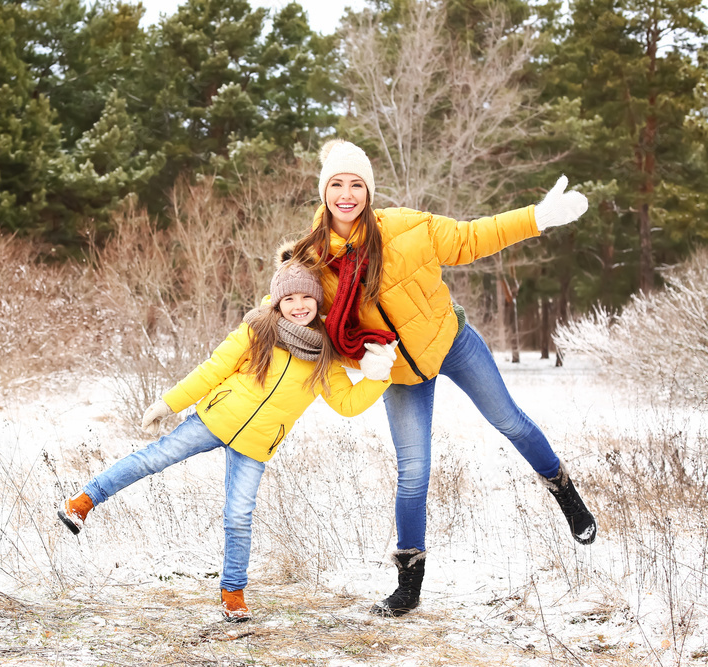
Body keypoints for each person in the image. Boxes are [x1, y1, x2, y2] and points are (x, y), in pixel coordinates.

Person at [289, 138, 597, 618]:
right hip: (396, 370)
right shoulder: (314, 263)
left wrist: (537, 218)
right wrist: (357, 366)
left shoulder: (407, 227)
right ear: (323, 191)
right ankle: (408, 583)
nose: (346, 194)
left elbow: (473, 238)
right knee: (413, 472)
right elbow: (306, 321)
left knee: (510, 422)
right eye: (336, 184)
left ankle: (564, 491)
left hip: (451, 340)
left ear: (369, 191)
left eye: (355, 184)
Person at [57, 253, 394, 622]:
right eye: (290, 299)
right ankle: (84, 502)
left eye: (306, 298)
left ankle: (233, 592)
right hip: (213, 419)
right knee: (152, 459)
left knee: (238, 515)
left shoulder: (325, 354)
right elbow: (212, 370)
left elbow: (346, 404)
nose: (298, 306)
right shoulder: (257, 330)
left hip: (257, 444)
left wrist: (380, 376)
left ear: (319, 300)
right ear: (278, 301)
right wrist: (167, 404)